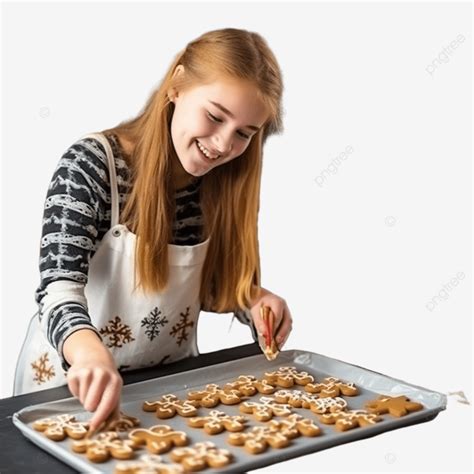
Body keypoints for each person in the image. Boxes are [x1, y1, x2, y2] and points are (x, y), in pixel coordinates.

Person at [13, 28, 293, 432]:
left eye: (244, 134)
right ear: (177, 85)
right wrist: (90, 356)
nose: (222, 144)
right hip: (66, 397)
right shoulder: (90, 166)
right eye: (215, 116)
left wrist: (250, 299)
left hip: (167, 397)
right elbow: (57, 293)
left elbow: (199, 289)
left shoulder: (222, 182)